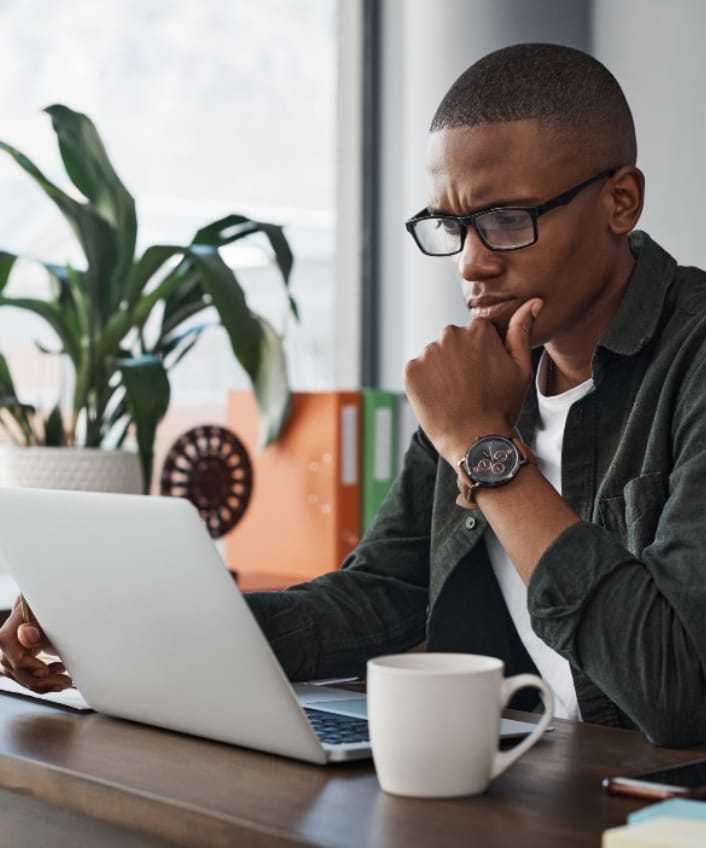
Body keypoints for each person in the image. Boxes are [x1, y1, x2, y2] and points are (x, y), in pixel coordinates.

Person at [2, 42, 706, 747]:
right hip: (534, 777)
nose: (472, 262)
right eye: (454, 226)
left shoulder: (686, 360)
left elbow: (680, 692)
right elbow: (384, 595)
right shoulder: (484, 377)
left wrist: (483, 447)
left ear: (621, 202)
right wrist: (119, 624)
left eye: (507, 219)